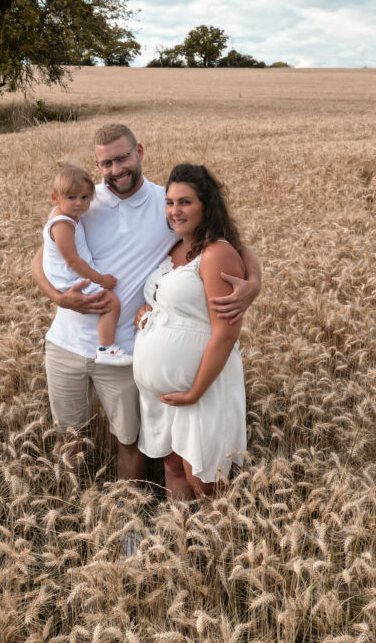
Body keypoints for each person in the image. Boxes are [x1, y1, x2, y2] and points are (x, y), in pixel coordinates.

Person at [30, 123, 262, 484]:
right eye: (105, 163)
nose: (115, 169)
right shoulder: (82, 202)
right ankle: (66, 509)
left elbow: (229, 241)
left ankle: (130, 527)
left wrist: (255, 281)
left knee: (130, 441)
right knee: (67, 436)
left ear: (139, 152)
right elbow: (39, 258)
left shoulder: (165, 203)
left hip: (123, 349)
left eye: (122, 158)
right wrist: (58, 297)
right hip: (66, 343)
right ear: (97, 165)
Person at [132, 164, 247, 499]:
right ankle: (181, 544)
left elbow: (226, 333)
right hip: (165, 394)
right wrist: (149, 312)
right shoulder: (174, 247)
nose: (174, 210)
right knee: (173, 468)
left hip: (202, 389)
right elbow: (175, 300)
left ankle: (216, 550)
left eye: (185, 202)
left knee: (206, 482)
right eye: (169, 202)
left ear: (206, 205)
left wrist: (194, 391)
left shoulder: (217, 254)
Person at [41, 164, 131, 366]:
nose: (79, 204)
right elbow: (72, 260)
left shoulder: (63, 215)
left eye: (84, 198)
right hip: (71, 278)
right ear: (55, 198)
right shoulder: (63, 224)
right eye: (71, 198)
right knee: (111, 303)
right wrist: (101, 280)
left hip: (70, 274)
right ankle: (106, 348)